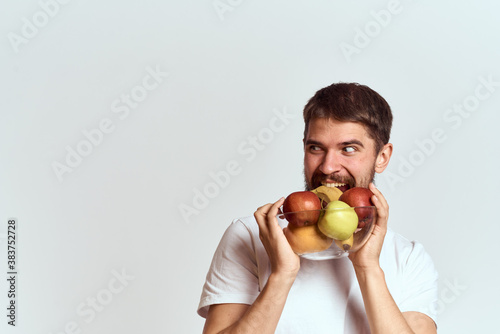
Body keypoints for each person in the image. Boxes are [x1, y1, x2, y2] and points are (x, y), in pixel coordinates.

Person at [197, 82, 439, 333]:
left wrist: (367, 268)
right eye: (316, 148)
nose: (327, 166)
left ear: (382, 157)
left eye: (348, 149)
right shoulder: (251, 235)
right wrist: (281, 275)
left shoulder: (409, 258)